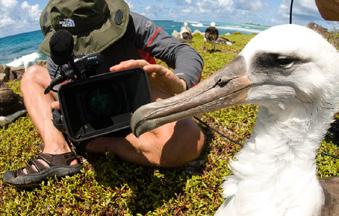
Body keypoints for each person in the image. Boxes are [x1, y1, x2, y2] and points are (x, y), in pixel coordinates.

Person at [3, 0, 205, 187]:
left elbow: (183, 51)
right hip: (87, 110)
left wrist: (180, 82)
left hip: (134, 101)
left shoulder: (131, 23)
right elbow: (60, 92)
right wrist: (64, 116)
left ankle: (96, 144)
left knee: (187, 141)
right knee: (31, 76)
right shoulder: (59, 45)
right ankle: (57, 150)